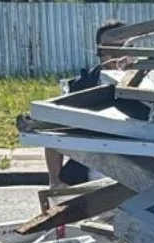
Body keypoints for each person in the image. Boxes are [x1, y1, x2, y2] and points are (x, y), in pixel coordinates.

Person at [46, 19, 126, 188]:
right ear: (99, 51)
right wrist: (55, 180)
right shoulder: (82, 87)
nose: (119, 54)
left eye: (124, 46)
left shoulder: (153, 86)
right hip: (89, 180)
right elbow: (53, 132)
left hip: (138, 180)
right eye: (111, 48)